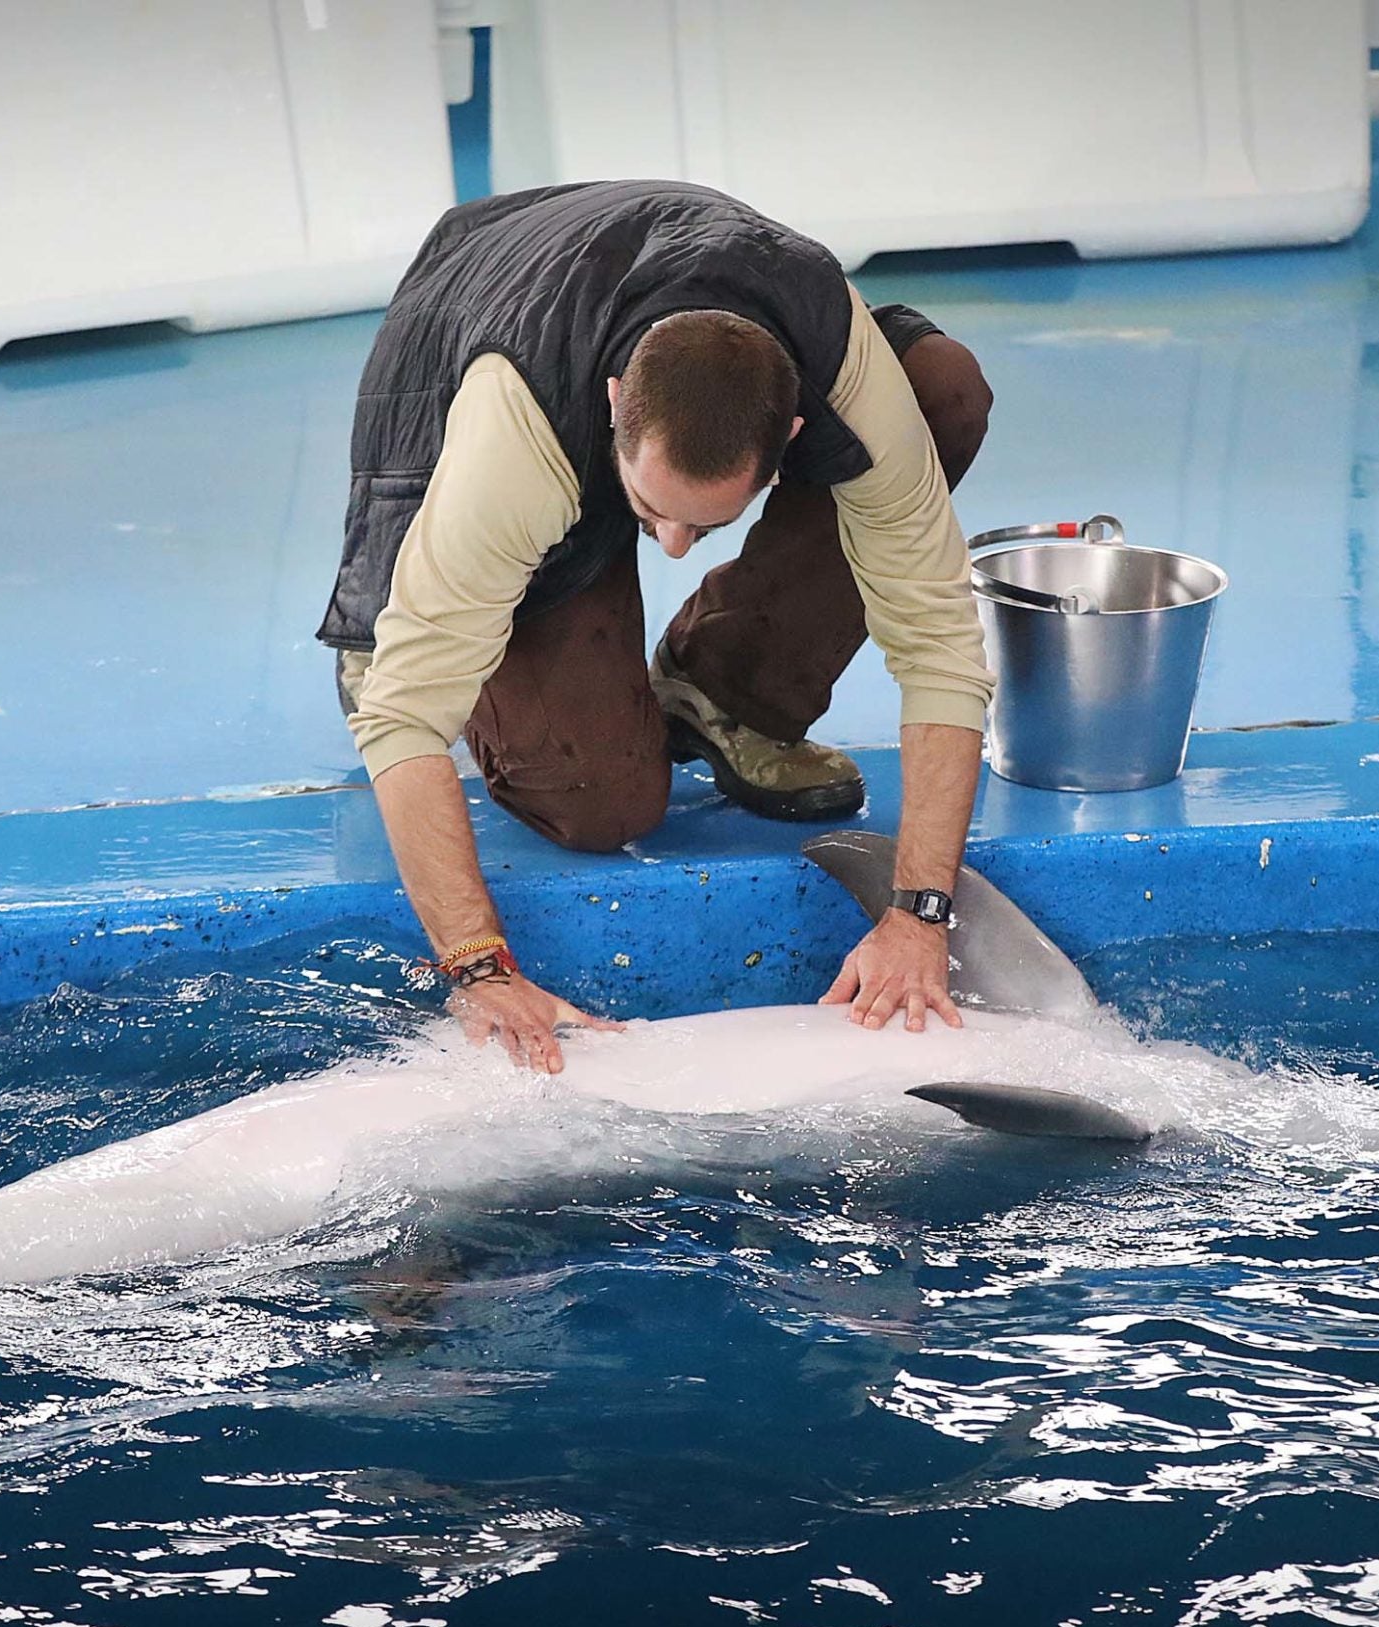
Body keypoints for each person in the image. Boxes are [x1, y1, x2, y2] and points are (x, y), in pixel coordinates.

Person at [318, 180, 996, 1074]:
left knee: (940, 388)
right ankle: (398, 626)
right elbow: (406, 720)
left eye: (707, 524)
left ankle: (721, 688)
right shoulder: (518, 438)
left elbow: (941, 650)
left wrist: (919, 915)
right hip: (483, 324)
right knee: (603, 805)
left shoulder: (846, 377)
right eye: (653, 508)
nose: (673, 549)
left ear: (793, 432)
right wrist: (478, 966)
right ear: (612, 402)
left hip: (651, 333)